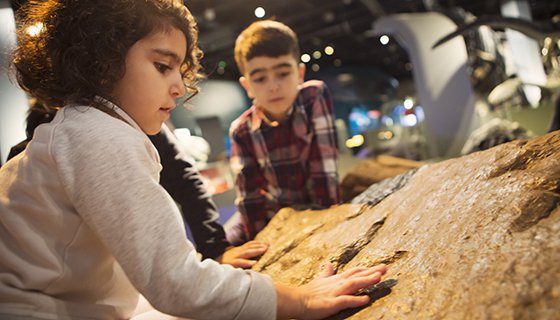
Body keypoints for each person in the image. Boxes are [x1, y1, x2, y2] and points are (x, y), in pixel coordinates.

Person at [0, 1, 387, 319]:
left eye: (180, 69)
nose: (180, 86)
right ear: (103, 60)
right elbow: (176, 283)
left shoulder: (85, 128)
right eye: (162, 66)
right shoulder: (98, 136)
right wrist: (300, 300)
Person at [7, 101, 267, 268]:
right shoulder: (33, 157)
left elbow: (183, 176)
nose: (177, 89)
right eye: (161, 66)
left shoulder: (133, 114)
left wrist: (215, 247)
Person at [228, 20, 341, 244]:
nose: (273, 86)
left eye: (282, 73)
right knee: (227, 246)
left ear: (299, 74)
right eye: (260, 78)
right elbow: (249, 198)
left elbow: (325, 174)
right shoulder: (241, 130)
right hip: (276, 217)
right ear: (247, 86)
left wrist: (328, 228)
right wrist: (259, 245)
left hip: (314, 207)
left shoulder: (314, 96)